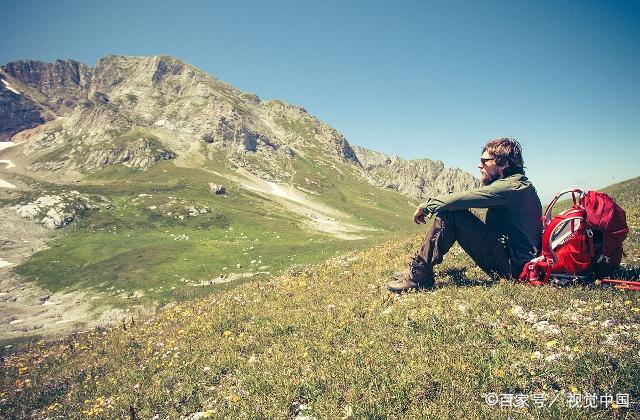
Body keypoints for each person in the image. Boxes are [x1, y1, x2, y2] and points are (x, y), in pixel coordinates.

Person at [387, 138, 542, 293]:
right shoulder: (518, 185)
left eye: (484, 161)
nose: (479, 165)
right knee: (457, 212)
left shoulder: (510, 187)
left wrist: (426, 206)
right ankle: (420, 269)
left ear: (503, 163)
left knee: (451, 214)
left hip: (513, 269)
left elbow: (460, 199)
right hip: (516, 261)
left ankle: (419, 275)